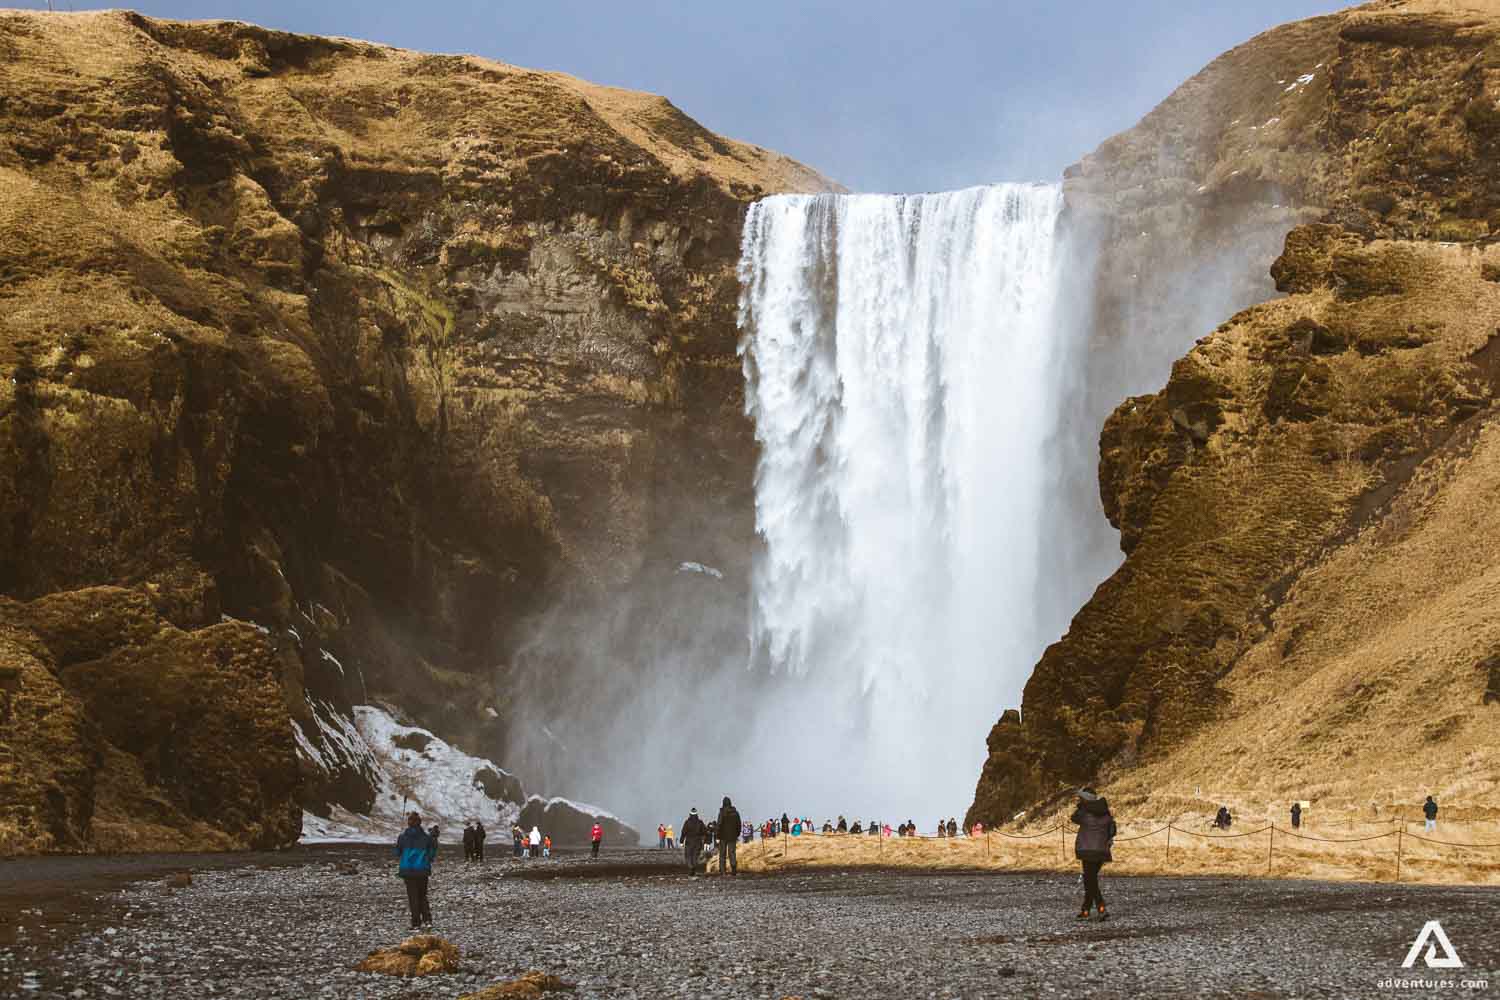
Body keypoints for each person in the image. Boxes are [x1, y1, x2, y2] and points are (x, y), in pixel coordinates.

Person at [1071, 788, 1116, 921]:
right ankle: (1086, 910)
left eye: (1081, 798)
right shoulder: (1106, 812)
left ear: (1085, 799)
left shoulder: (1083, 812)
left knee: (1090, 881)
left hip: (1087, 850)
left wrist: (1081, 806)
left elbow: (1073, 818)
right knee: (1090, 879)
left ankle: (1101, 907)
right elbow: (1112, 830)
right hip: (1101, 851)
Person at [395, 812, 436, 929]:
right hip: (422, 870)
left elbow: (398, 852)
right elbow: (432, 852)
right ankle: (427, 920)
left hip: (408, 871)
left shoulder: (402, 837)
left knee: (413, 897)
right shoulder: (426, 838)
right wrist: (428, 859)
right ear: (420, 823)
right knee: (422, 895)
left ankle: (416, 923)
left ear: (409, 823)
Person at [717, 796, 742, 876]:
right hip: (732, 836)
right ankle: (733, 869)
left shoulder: (722, 813)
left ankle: (722, 871)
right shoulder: (735, 813)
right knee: (732, 853)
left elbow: (719, 825)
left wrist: (717, 836)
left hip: (723, 837)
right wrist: (737, 834)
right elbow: (739, 825)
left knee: (722, 854)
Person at [681, 807, 708, 875]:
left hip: (689, 841)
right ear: (696, 814)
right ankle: (693, 868)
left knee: (688, 855)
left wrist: (681, 841)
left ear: (690, 814)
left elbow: (683, 832)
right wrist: (704, 839)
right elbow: (705, 831)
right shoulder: (700, 822)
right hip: (698, 841)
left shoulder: (687, 822)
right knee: (695, 856)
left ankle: (691, 867)